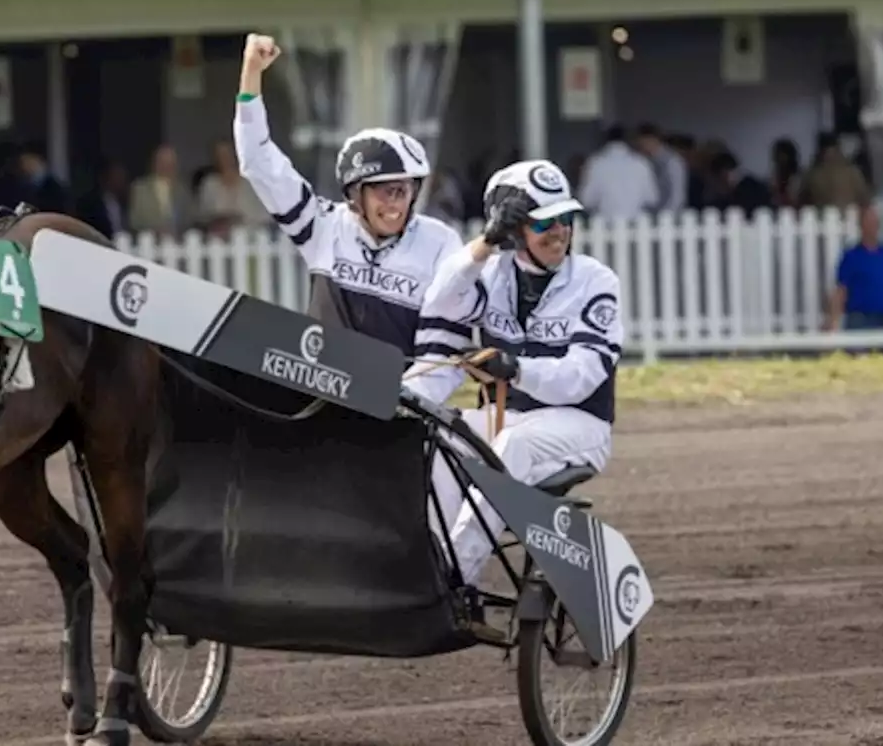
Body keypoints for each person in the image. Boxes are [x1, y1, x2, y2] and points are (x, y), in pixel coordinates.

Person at [402, 159, 623, 641]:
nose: (559, 231)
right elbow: (439, 301)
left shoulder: (595, 280)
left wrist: (517, 367)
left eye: (566, 219)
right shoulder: (493, 273)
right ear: (512, 227)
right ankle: (441, 571)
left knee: (511, 449)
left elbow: (582, 377)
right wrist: (483, 245)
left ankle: (449, 579)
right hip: (509, 423)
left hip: (577, 428)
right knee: (440, 436)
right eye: (543, 221)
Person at [232, 33, 465, 358]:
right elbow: (258, 162)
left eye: (404, 189)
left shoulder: (441, 243)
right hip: (322, 394)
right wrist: (252, 72)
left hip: (405, 399)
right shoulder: (322, 227)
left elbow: (450, 337)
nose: (396, 202)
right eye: (385, 191)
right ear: (356, 195)